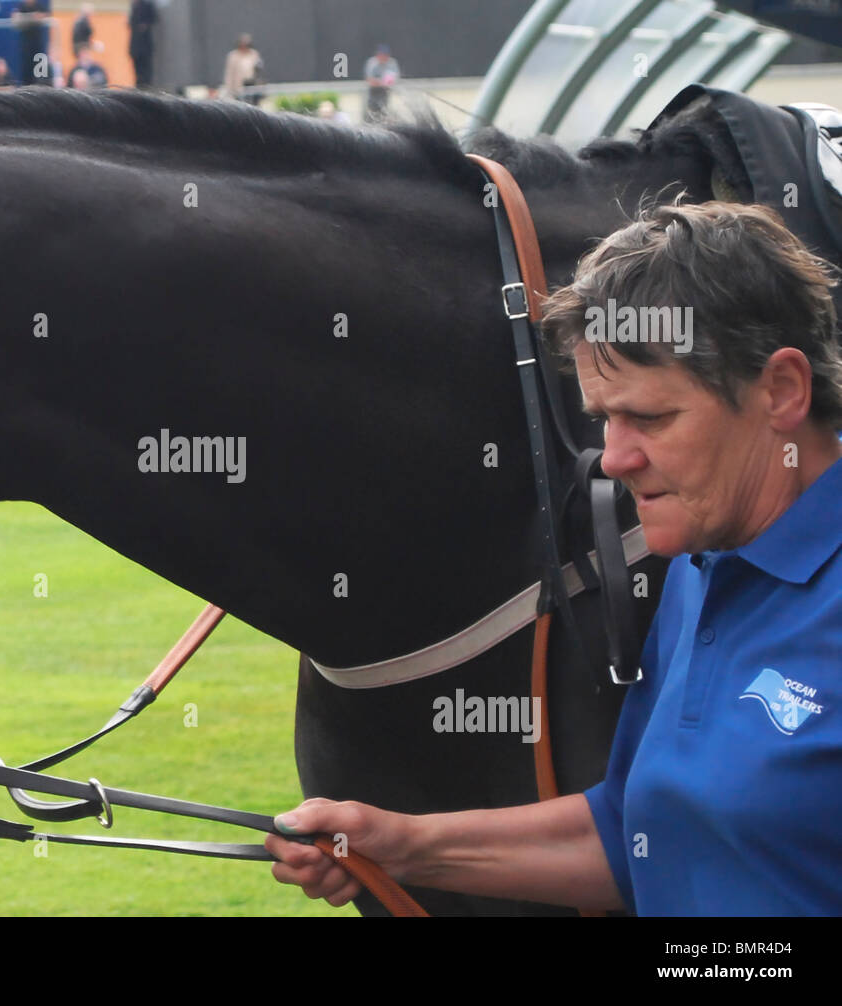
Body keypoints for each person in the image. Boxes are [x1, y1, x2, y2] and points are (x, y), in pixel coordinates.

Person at [267, 201, 842, 916]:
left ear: (781, 390)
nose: (615, 458)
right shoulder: (704, 566)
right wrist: (402, 844)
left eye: (652, 418)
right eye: (604, 419)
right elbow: (632, 833)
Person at [14, 0, 49, 85]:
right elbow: (16, 20)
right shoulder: (21, 6)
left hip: (38, 46)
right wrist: (33, 18)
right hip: (26, 46)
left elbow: (44, 16)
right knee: (27, 70)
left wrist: (26, 19)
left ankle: (41, 87)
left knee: (41, 71)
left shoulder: (39, 6)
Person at [221, 33, 262, 104]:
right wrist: (229, 88)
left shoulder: (253, 54)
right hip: (238, 87)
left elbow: (257, 69)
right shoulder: (233, 56)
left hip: (251, 85)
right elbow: (229, 73)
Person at [363, 44, 399, 122]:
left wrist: (381, 82)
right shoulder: (372, 63)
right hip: (373, 91)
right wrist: (382, 82)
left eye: (385, 55)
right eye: (381, 54)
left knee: (384, 110)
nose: (383, 57)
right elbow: (369, 80)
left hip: (385, 91)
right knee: (371, 110)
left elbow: (393, 80)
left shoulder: (392, 63)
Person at [128, 0, 156, 89]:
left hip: (144, 46)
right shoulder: (133, 6)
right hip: (136, 47)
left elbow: (153, 18)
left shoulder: (147, 5)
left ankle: (146, 87)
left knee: (146, 72)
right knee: (138, 72)